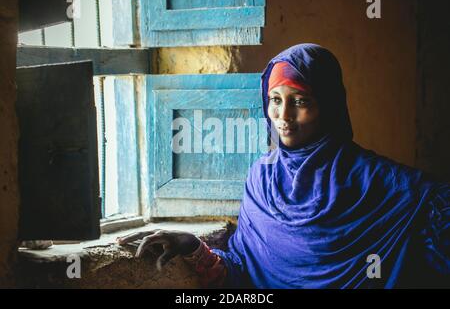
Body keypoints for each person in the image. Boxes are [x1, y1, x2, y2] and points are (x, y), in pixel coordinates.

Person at [117, 43, 449, 288]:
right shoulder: (263, 180)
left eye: (301, 101)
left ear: (328, 107)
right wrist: (192, 247)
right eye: (276, 100)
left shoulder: (373, 181)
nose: (284, 116)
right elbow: (243, 270)